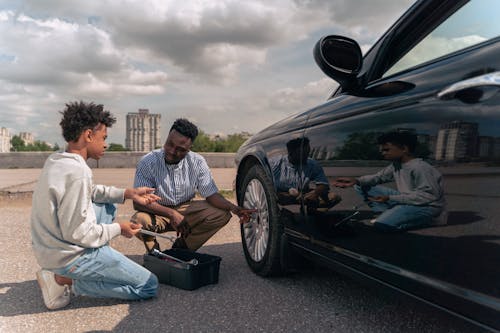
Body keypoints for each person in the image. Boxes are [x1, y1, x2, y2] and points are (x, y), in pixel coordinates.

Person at [30, 101, 160, 311]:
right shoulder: (78, 172)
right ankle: (62, 280)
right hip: (67, 256)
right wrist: (120, 228)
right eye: (104, 138)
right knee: (148, 285)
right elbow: (80, 233)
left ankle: (90, 265)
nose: (106, 144)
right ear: (88, 136)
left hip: (48, 248)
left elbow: (90, 191)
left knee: (108, 205)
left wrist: (128, 193)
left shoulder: (57, 159)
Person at [132, 118, 256, 252]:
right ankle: (154, 253)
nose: (172, 151)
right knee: (138, 221)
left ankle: (182, 248)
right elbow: (138, 202)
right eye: (170, 144)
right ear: (167, 138)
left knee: (221, 214)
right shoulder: (148, 162)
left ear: (190, 148)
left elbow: (211, 194)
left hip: (187, 211)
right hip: (157, 212)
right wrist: (172, 214)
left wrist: (235, 208)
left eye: (180, 149)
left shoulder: (197, 162)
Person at [333, 131, 446, 232]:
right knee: (361, 186)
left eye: (386, 150)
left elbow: (428, 197)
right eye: (382, 150)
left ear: (404, 149)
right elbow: (378, 177)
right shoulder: (396, 165)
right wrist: (356, 180)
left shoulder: (420, 167)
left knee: (382, 225)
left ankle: (431, 220)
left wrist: (390, 198)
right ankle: (390, 214)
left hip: (427, 206)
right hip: (407, 199)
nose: (383, 153)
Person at [270, 137, 341, 211]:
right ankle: (279, 215)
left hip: (303, 194)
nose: (306, 157)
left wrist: (315, 193)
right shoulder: (274, 164)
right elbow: (264, 183)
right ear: (291, 152)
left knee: (334, 197)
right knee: (273, 196)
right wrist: (280, 193)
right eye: (303, 154)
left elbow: (324, 184)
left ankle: (313, 213)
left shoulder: (312, 164)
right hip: (280, 195)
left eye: (307, 153)